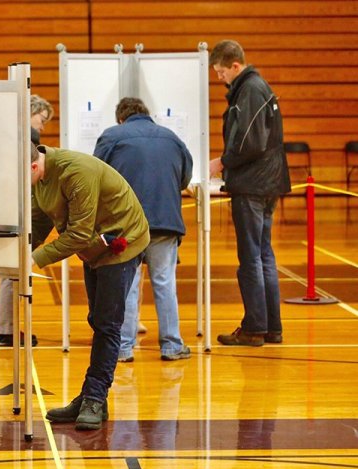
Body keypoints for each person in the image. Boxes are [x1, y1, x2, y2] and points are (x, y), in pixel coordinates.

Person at [31, 143, 150, 431]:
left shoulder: (76, 172)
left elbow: (79, 233)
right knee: (97, 320)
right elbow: (40, 218)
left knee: (108, 324)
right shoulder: (42, 176)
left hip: (122, 244)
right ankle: (90, 395)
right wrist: (20, 251)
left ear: (34, 166)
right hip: (94, 247)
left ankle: (94, 397)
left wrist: (33, 259)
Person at [94, 97, 193, 362]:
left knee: (128, 285)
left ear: (121, 118)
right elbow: (185, 178)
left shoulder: (112, 136)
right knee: (164, 282)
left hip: (127, 224)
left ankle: (124, 348)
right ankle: (172, 345)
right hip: (165, 221)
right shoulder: (171, 138)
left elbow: (95, 175)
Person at [208, 40, 290, 346]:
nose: (219, 79)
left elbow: (250, 142)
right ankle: (271, 327)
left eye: (220, 72)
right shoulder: (252, 88)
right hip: (265, 183)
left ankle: (255, 327)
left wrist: (223, 162)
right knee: (263, 254)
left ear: (235, 66)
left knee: (251, 258)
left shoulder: (251, 89)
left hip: (253, 185)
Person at [0, 94, 53, 347]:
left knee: (12, 271)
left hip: (4, 207)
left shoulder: (5, 133)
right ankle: (7, 330)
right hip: (20, 209)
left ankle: (7, 327)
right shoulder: (29, 137)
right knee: (14, 270)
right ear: (31, 112)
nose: (42, 126)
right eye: (42, 119)